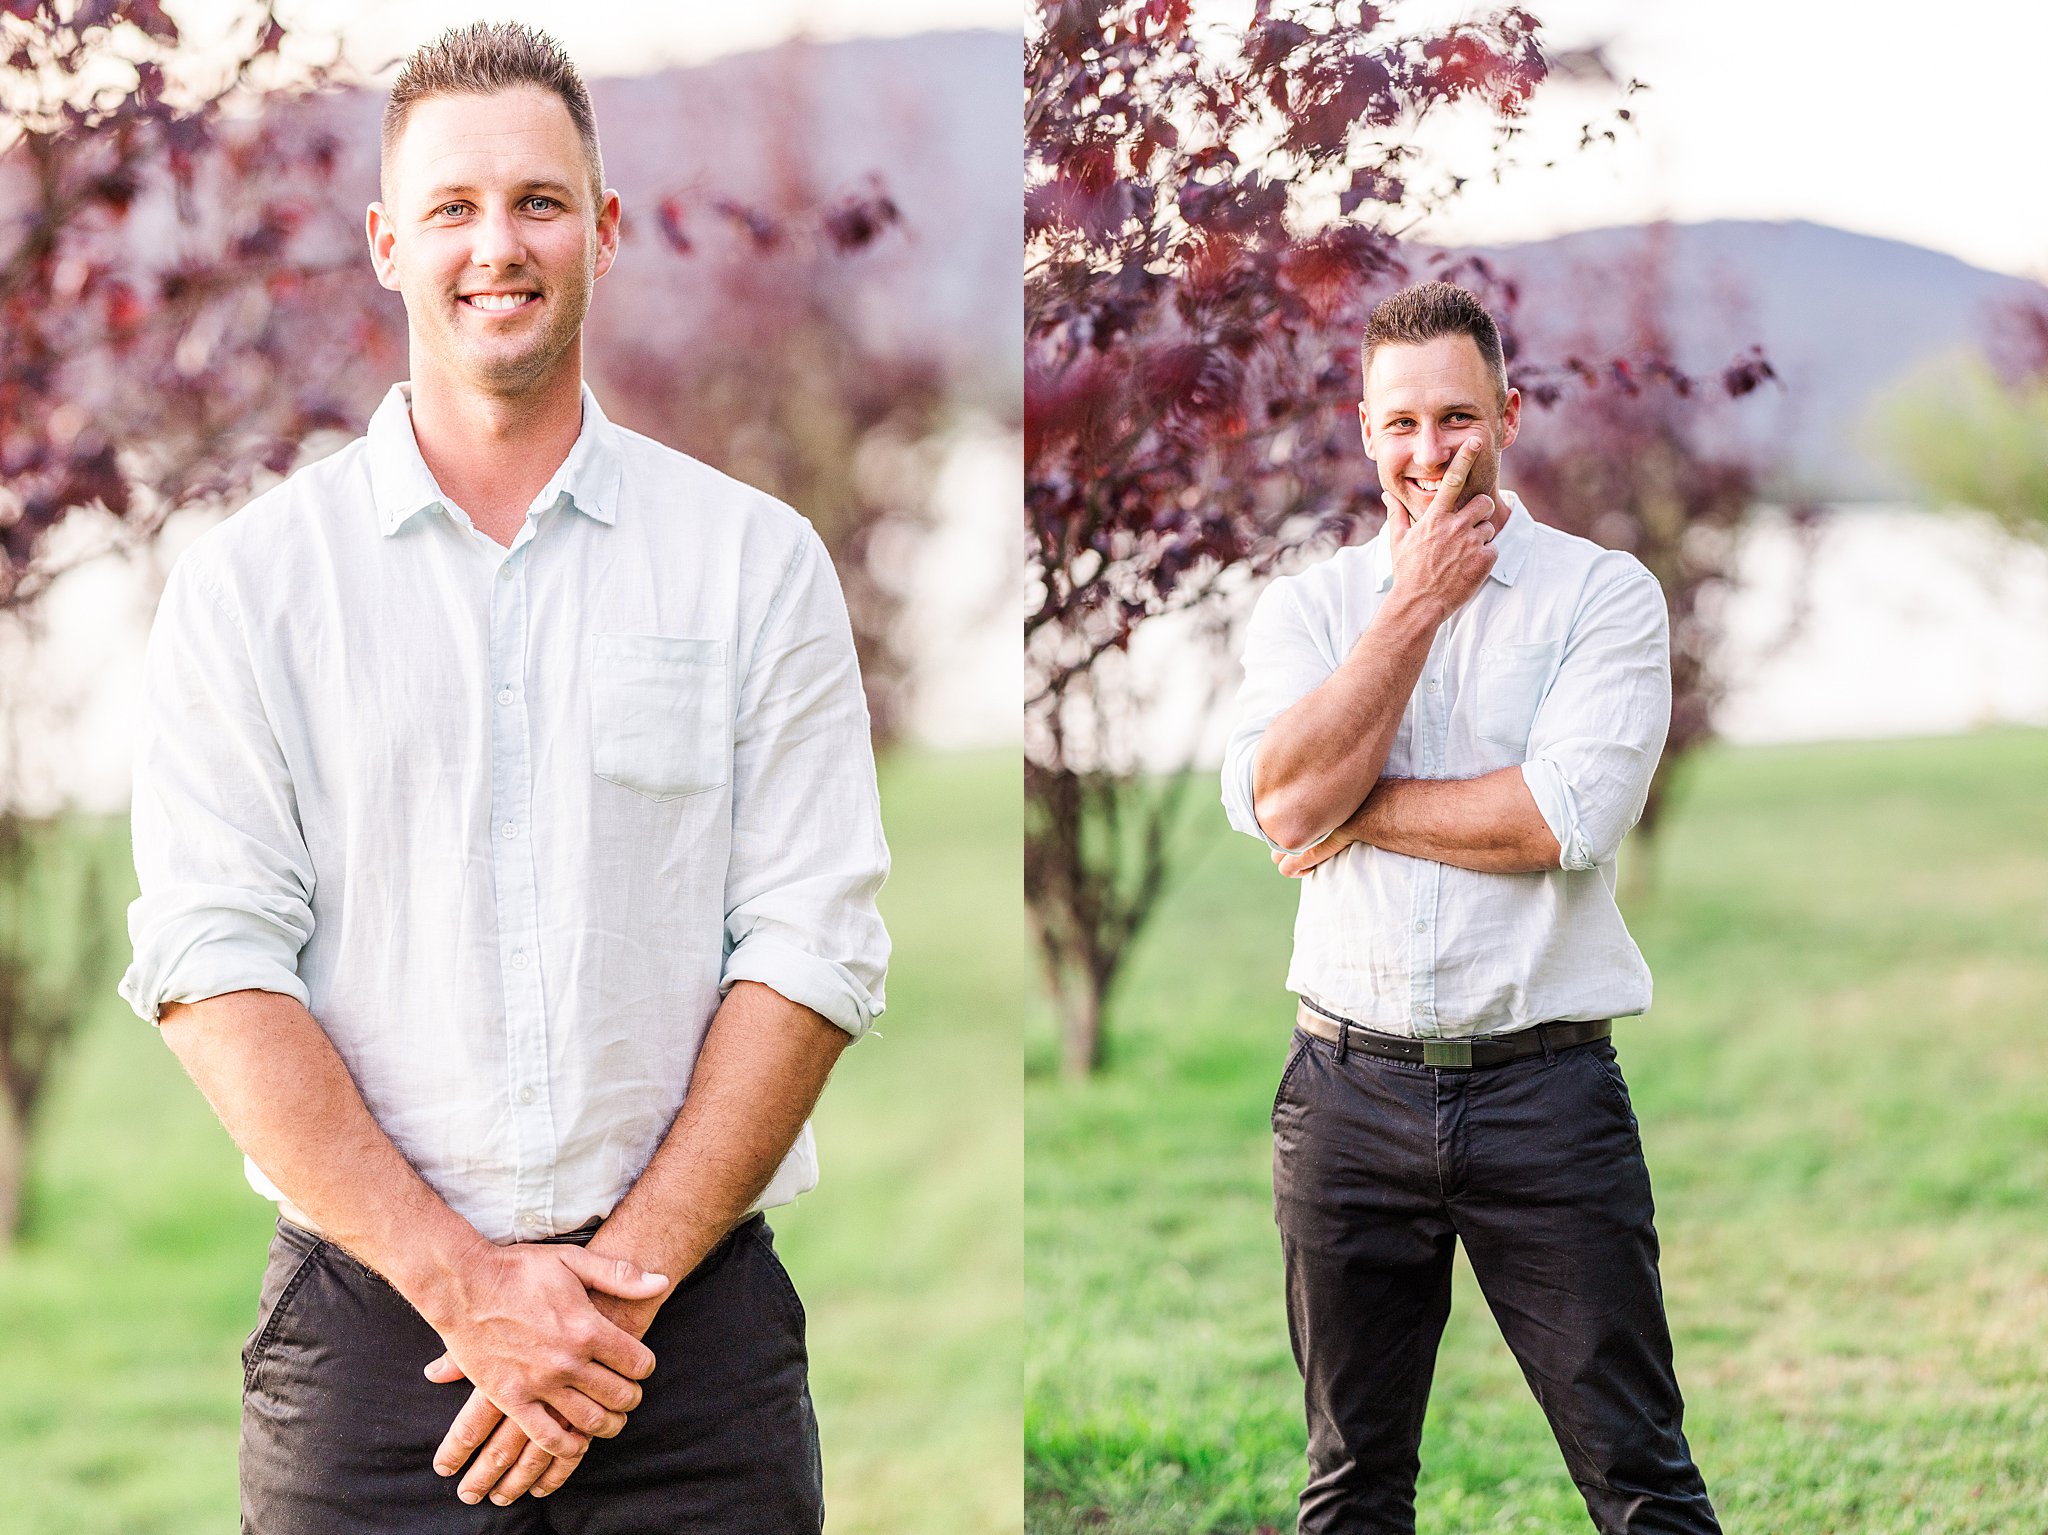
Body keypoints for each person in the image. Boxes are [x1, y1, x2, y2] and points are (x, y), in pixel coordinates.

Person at [118, 22, 888, 1533]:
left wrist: (607, 1296)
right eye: (455, 208)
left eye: (540, 201)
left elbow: (812, 941)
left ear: (603, 231)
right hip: (367, 1350)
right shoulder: (253, 587)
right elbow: (213, 961)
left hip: (691, 1345)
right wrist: (469, 1288)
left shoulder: (750, 563)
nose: (499, 245)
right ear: (387, 243)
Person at [1220, 280, 1720, 1535]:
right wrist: (1415, 603)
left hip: (1543, 1097)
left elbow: (1558, 819)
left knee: (1641, 1477)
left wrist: (1344, 809)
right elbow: (1280, 803)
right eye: (1398, 424)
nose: (1425, 453)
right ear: (1360, 427)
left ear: (1508, 411)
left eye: (1455, 416)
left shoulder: (1601, 596)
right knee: (1350, 1483)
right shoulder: (1310, 609)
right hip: (1343, 1097)